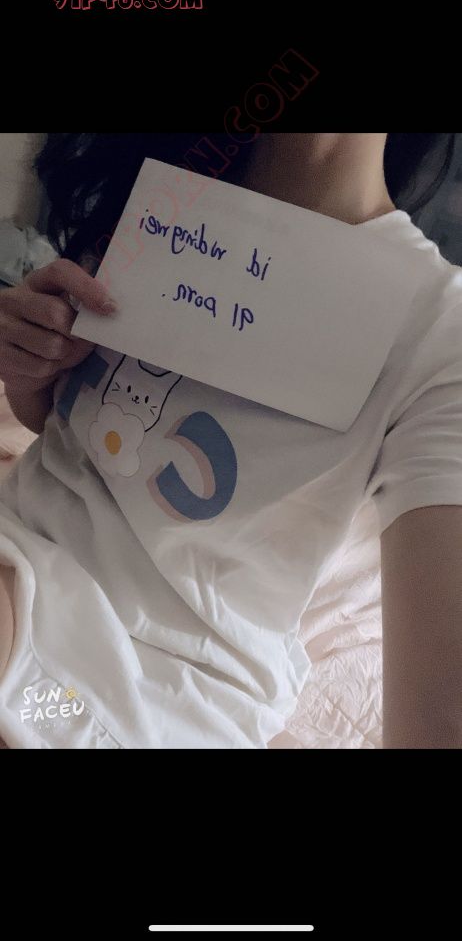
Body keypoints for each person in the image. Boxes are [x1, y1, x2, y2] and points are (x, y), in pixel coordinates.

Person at [0, 132, 461, 749]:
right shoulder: (166, 209)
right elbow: (76, 436)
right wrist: (29, 367)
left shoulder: (439, 329)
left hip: (105, 694)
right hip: (19, 555)